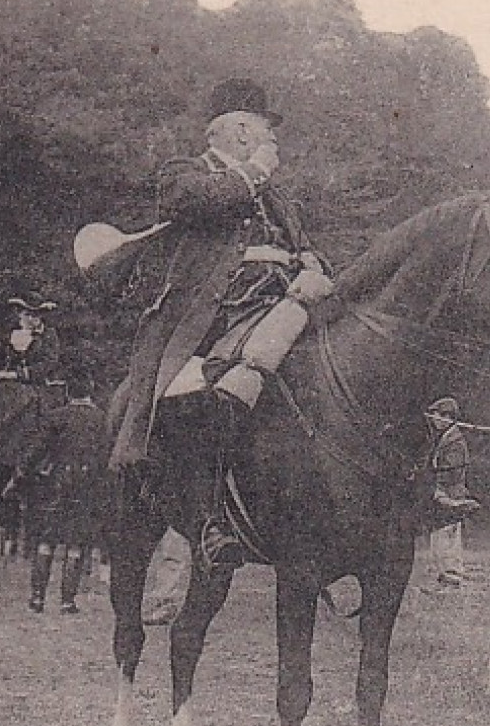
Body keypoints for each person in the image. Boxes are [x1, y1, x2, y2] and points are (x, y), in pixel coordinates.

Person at [109, 79, 335, 567]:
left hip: (283, 307)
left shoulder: (277, 198)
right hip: (212, 313)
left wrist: (315, 269)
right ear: (239, 131)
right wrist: (253, 174)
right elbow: (191, 202)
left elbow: (303, 246)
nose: (275, 142)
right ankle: (210, 517)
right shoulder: (184, 173)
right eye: (267, 131)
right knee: (214, 390)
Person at [25, 369, 110, 614]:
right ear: (91, 390)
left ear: (67, 392)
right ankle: (67, 601)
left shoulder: (55, 417)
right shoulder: (101, 419)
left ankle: (38, 598)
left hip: (55, 484)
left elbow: (35, 451)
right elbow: (106, 456)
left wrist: (21, 476)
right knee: (76, 544)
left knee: (46, 541)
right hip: (87, 486)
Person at [420, 397, 481, 591]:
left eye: (438, 416)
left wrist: (432, 480)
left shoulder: (454, 441)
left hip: (451, 494)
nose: (435, 420)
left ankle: (451, 580)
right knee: (440, 539)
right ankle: (445, 578)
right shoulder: (445, 438)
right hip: (443, 494)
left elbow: (452, 471)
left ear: (448, 417)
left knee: (446, 539)